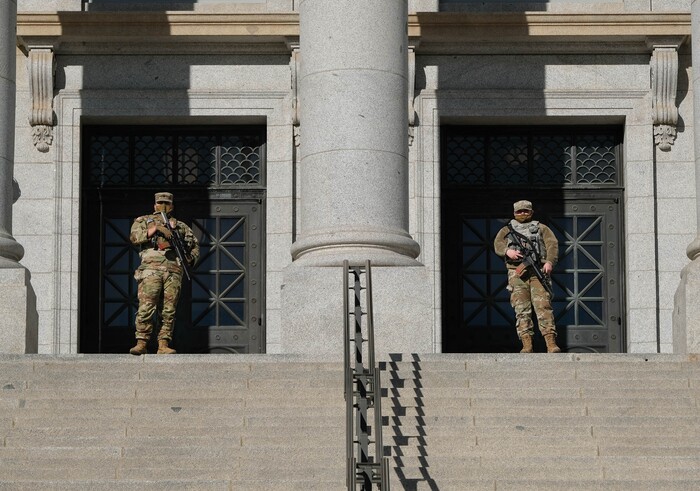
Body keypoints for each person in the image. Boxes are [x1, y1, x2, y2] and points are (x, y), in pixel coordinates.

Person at [128, 192, 199, 355]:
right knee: (147, 306)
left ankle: (163, 343)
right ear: (154, 205)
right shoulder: (143, 221)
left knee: (168, 310)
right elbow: (134, 237)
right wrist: (157, 229)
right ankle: (142, 342)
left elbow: (194, 245)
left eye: (166, 203)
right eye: (160, 203)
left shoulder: (180, 226)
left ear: (172, 206)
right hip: (151, 270)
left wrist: (189, 258)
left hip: (173, 270)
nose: (163, 206)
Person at [493, 200, 561, 353]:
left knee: (543, 306)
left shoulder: (541, 228)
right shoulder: (506, 230)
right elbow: (497, 244)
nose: (523, 214)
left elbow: (552, 245)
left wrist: (549, 262)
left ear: (531, 212)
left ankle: (551, 343)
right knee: (521, 308)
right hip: (517, 272)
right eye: (519, 211)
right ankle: (527, 344)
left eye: (526, 211)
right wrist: (507, 251)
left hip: (538, 271)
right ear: (514, 213)